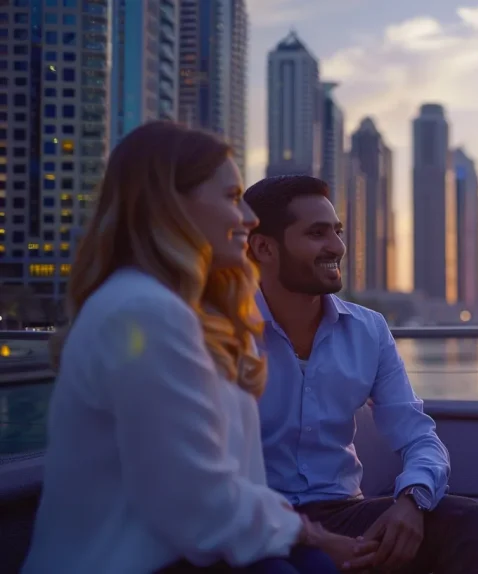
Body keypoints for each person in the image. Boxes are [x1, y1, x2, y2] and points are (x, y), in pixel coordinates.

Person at [20, 121, 359, 573]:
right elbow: (193, 498)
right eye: (231, 198)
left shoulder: (194, 316)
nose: (249, 218)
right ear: (172, 205)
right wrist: (307, 533)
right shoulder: (141, 312)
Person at [243, 175, 478, 574]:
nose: (337, 247)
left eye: (337, 232)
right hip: (252, 516)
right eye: (317, 233)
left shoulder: (368, 329)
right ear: (264, 248)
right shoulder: (225, 331)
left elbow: (417, 434)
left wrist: (412, 500)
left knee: (464, 520)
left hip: (342, 511)